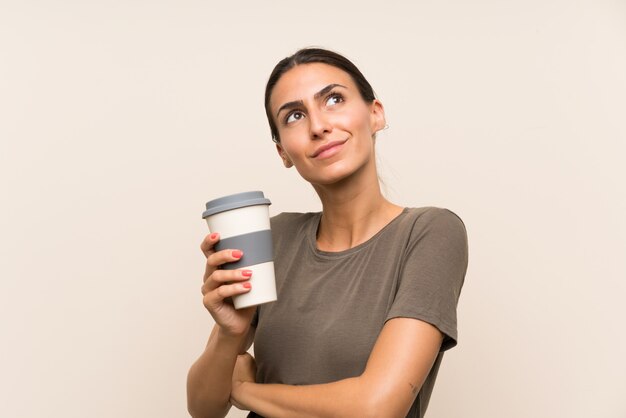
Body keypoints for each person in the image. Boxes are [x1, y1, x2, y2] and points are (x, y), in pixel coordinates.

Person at [187, 47, 469, 418]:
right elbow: (203, 409)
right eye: (294, 116)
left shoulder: (430, 232)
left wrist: (242, 389)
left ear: (375, 114)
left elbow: (376, 408)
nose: (318, 126)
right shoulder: (273, 237)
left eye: (334, 99)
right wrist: (228, 334)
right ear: (283, 152)